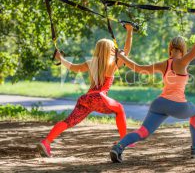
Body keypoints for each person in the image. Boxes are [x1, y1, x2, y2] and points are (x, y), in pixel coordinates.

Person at [110, 4, 195, 163]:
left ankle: (118, 147)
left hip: (159, 104)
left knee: (143, 131)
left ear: (170, 49)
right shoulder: (183, 62)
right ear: (182, 50)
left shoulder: (164, 64)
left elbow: (139, 69)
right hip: (178, 105)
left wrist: (122, 57)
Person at [37, 24, 134, 157]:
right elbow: (127, 51)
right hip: (100, 97)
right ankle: (124, 140)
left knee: (68, 121)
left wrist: (60, 58)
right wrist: (129, 31)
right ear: (111, 51)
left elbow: (72, 67)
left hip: (86, 99)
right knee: (120, 109)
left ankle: (46, 142)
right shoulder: (112, 65)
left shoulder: (90, 63)